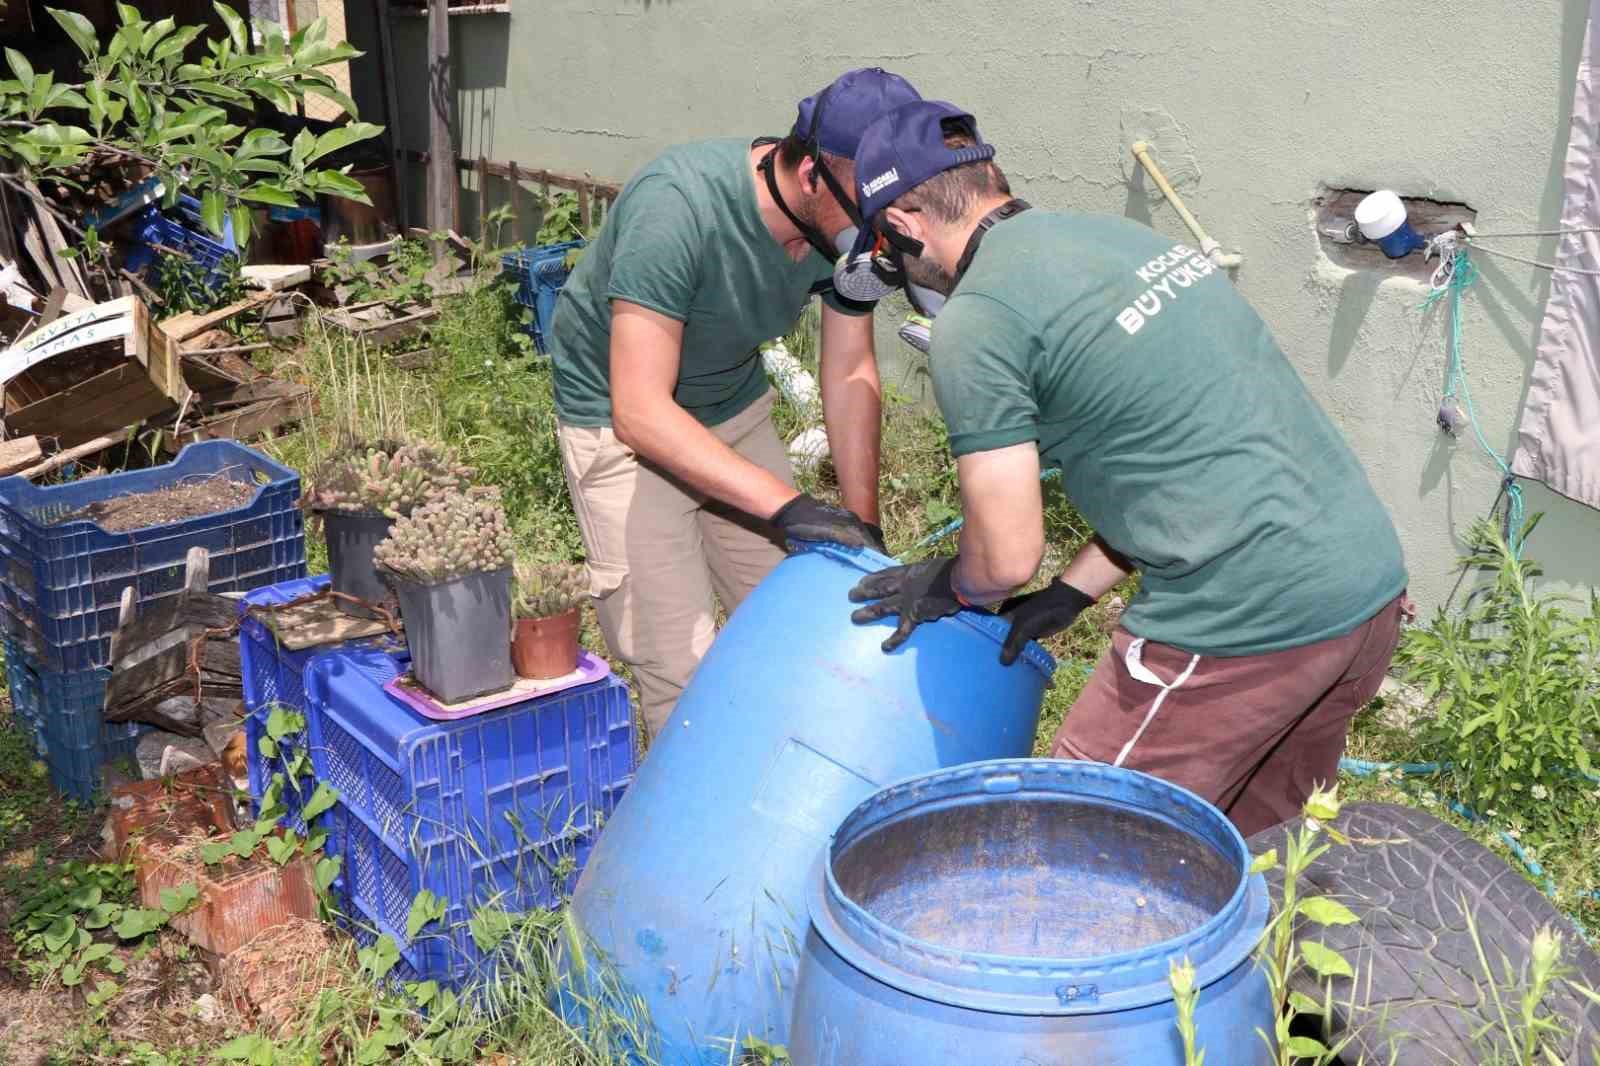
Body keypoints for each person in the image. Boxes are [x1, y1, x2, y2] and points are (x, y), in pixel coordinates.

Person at [841, 100, 1409, 835]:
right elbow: (1169, 452)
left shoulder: (978, 320)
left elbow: (1006, 558)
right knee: (1268, 851)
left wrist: (951, 584)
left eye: (887, 243)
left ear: (906, 221)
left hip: (1245, 621)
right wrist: (1072, 596)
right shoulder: (1120, 240)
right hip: (1361, 590)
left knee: (1078, 843)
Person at [547, 69, 922, 738]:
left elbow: (848, 368)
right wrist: (789, 506)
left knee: (794, 626)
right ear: (810, 173)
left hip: (731, 405)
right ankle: (685, 833)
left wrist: (862, 531)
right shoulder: (679, 208)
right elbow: (641, 410)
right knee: (680, 668)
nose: (880, 230)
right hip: (620, 425)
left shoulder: (844, 234)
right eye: (869, 208)